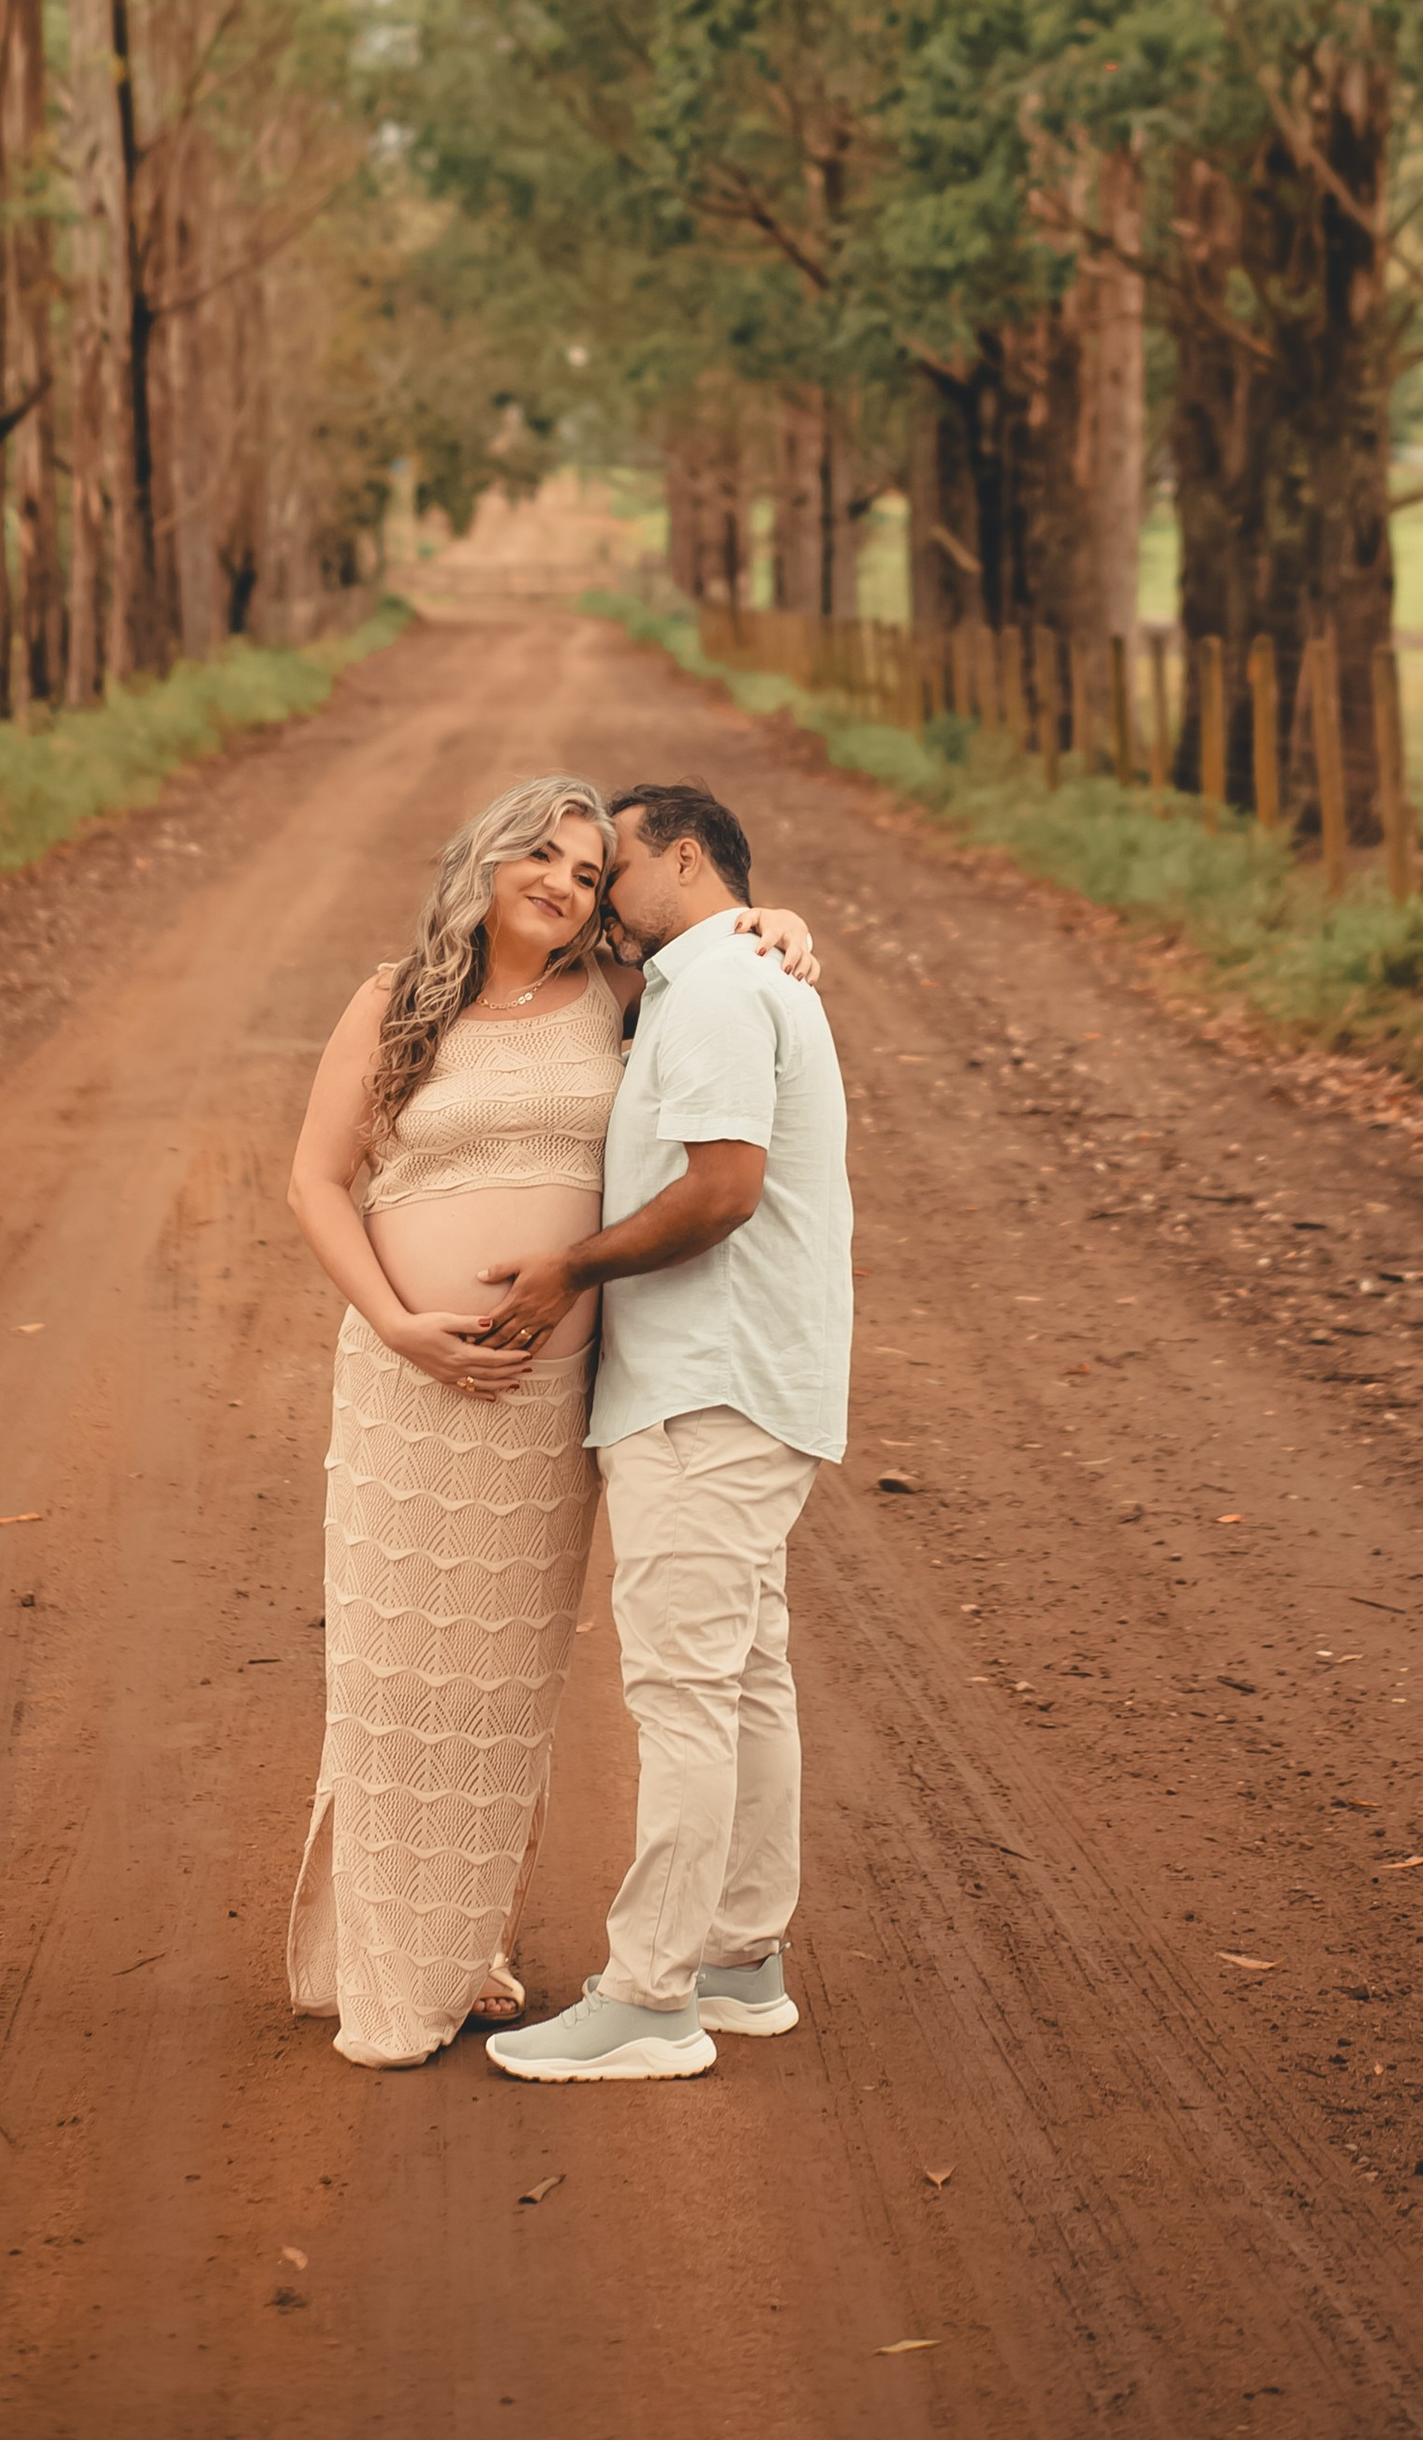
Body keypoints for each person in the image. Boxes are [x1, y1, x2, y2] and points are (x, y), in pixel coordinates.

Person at [282, 772, 819, 2070]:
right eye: (546, 855)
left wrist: (783, 922)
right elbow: (313, 1178)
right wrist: (397, 1322)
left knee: (502, 1693)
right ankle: (387, 1972)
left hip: (537, 1409)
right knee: (392, 1677)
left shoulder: (621, 1003)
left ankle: (466, 1956)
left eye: (589, 874)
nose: (565, 885)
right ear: (488, 854)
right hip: (406, 1384)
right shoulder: (393, 996)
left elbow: (724, 971)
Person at [476, 780, 851, 2085]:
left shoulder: (721, 989)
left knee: (685, 1692)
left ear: (686, 862)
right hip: (746, 1385)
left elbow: (722, 1192)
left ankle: (649, 1997)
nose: (598, 901)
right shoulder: (724, 980)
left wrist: (568, 1270)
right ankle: (740, 1958)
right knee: (744, 1678)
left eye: (612, 869)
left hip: (709, 1390)